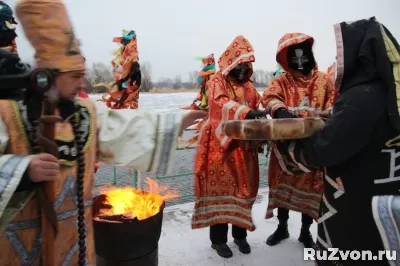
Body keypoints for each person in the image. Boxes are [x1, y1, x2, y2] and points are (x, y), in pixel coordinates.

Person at [0, 0, 206, 265]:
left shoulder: (84, 113)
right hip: (20, 250)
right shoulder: (8, 112)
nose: (82, 83)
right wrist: (22, 171)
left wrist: (179, 121)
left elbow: (125, 129)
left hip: (74, 245)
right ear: (48, 75)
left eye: (82, 74)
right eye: (74, 75)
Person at [274, 17, 400, 266]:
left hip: (356, 206)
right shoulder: (391, 93)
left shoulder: (360, 98)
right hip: (387, 195)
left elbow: (325, 148)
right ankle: (284, 227)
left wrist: (284, 143)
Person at [261, 33, 337, 248]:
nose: (301, 61)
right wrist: (280, 110)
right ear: (287, 59)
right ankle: (282, 228)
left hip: (314, 147)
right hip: (284, 148)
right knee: (282, 187)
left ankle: (305, 232)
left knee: (313, 190)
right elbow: (269, 97)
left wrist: (325, 117)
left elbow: (335, 105)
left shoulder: (324, 80)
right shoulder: (282, 80)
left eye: (304, 56)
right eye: (295, 57)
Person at [192, 35, 264, 258]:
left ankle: (240, 236)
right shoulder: (217, 82)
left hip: (245, 149)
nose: (243, 70)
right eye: (240, 65)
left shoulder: (250, 87)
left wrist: (266, 114)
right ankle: (218, 241)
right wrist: (246, 112)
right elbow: (219, 104)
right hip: (219, 148)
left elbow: (259, 104)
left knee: (243, 190)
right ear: (232, 62)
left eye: (247, 66)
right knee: (221, 191)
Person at [99, 29, 141, 109]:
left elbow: (133, 55)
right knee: (124, 89)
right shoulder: (128, 48)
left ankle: (121, 103)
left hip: (129, 72)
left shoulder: (131, 47)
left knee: (128, 91)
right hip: (126, 72)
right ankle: (119, 102)